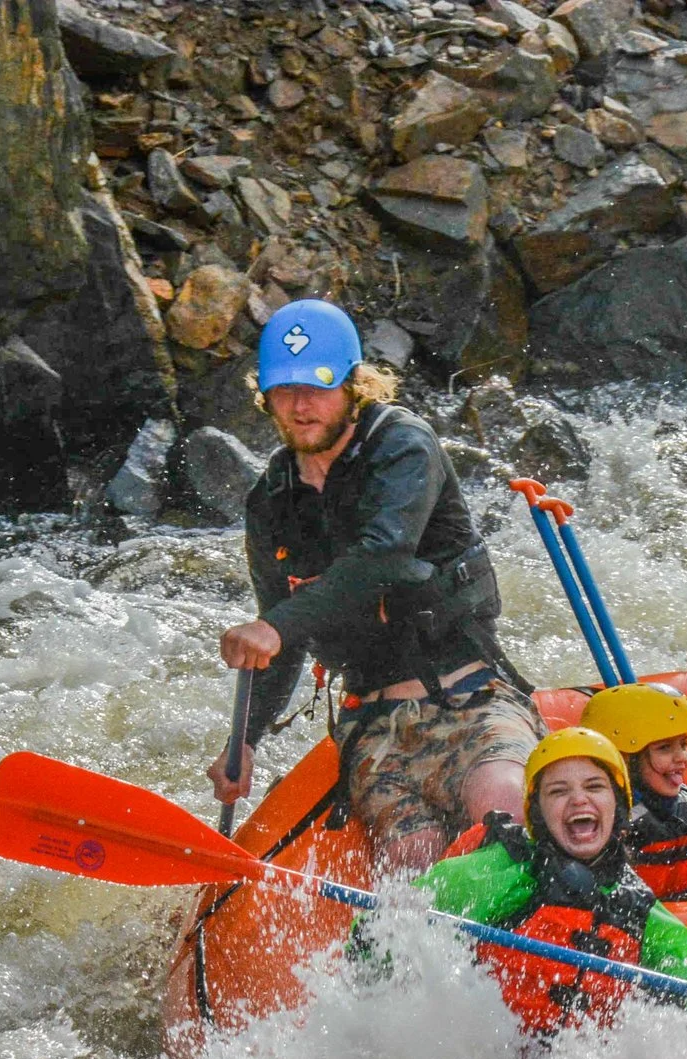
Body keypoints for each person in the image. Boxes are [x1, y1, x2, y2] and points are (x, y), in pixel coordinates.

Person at [210, 299, 543, 874]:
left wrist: (276, 625)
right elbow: (281, 641)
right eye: (283, 391)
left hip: (471, 701)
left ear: (354, 386)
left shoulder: (403, 447)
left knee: (503, 807)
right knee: (407, 860)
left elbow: (381, 558)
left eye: (317, 387)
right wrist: (247, 739)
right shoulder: (270, 502)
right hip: (376, 730)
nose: (300, 405)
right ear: (265, 397)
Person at [413, 728, 687, 1035]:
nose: (579, 799)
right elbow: (395, 927)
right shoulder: (495, 871)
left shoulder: (647, 916)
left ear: (617, 807)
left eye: (594, 786)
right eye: (558, 791)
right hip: (483, 1053)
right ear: (538, 813)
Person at [580, 682, 687, 902]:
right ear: (622, 758)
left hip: (684, 923)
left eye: (683, 744)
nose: (683, 757)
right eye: (664, 748)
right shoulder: (603, 822)